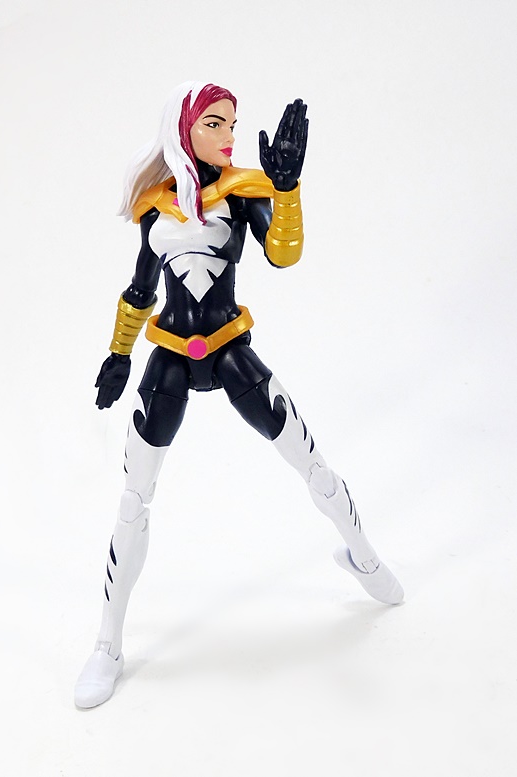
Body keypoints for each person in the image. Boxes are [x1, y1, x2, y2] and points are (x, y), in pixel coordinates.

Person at [74, 81, 403, 709]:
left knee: (308, 460)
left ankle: (362, 556)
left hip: (229, 351)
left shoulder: (245, 191)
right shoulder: (155, 205)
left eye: (233, 123)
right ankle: (107, 645)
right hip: (170, 357)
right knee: (133, 499)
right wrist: (118, 354)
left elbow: (284, 255)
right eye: (215, 124)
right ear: (185, 130)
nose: (229, 135)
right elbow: (141, 288)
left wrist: (287, 190)